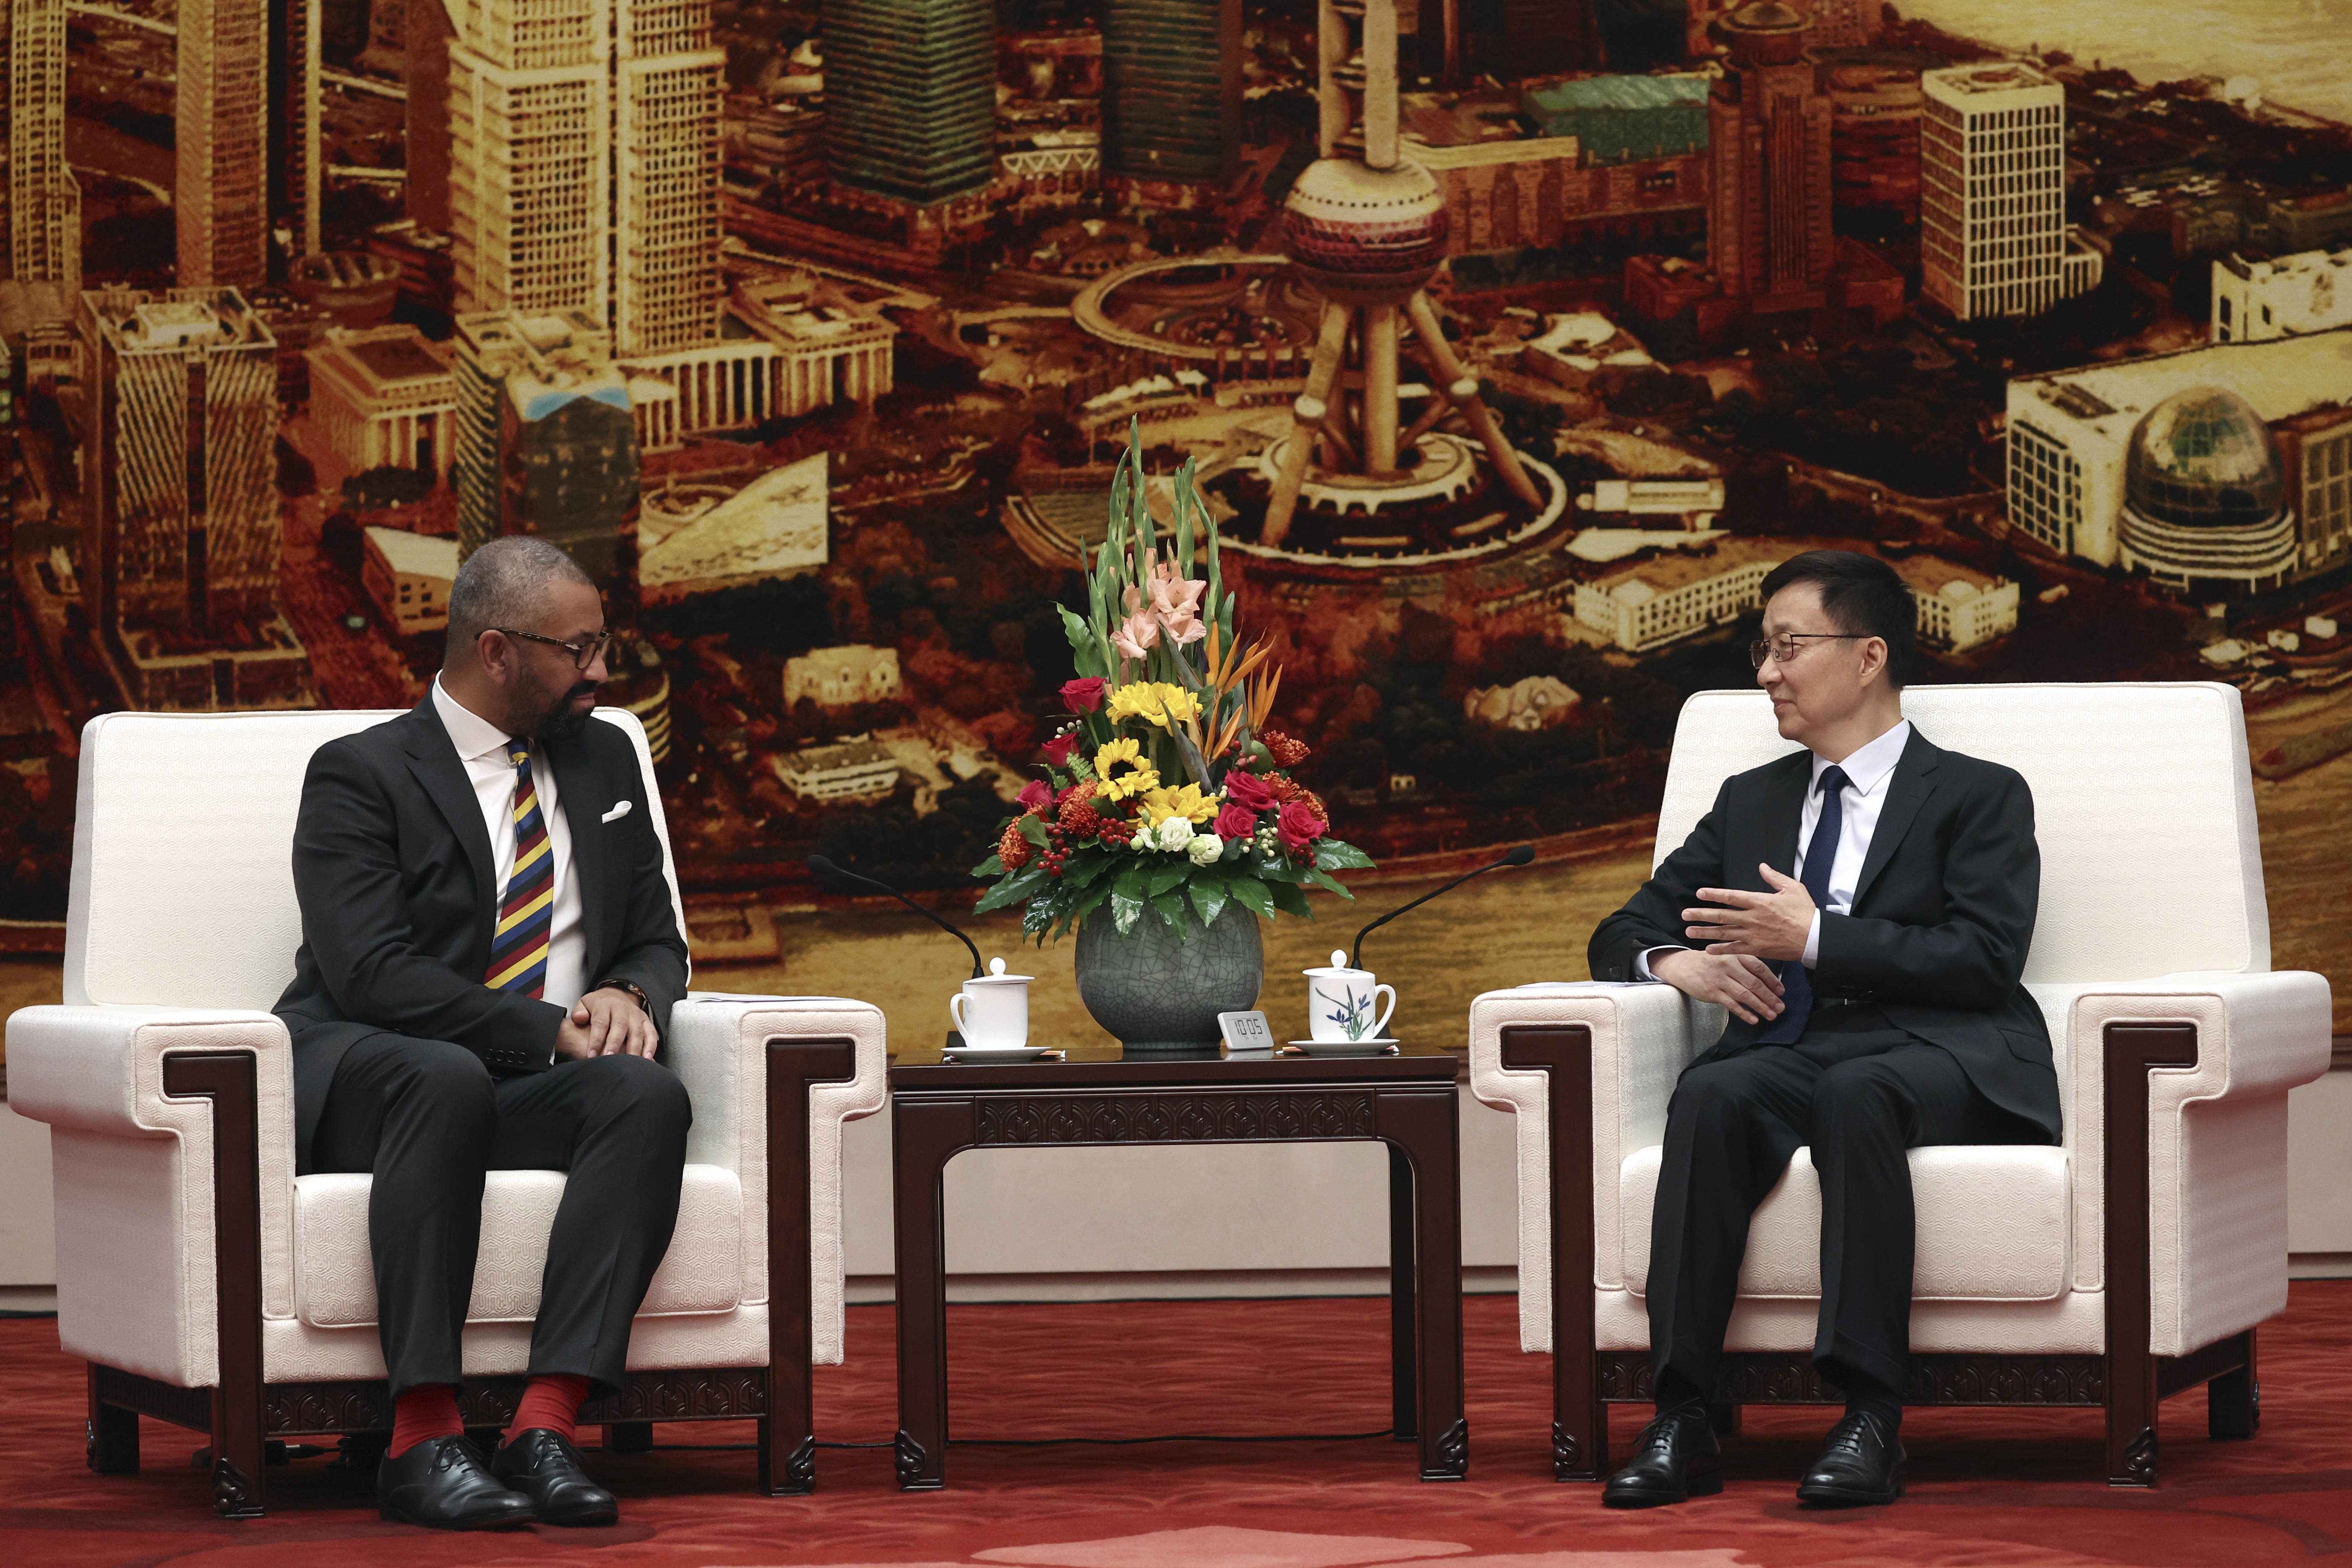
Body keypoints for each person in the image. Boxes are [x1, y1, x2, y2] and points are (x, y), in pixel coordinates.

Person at [1587, 549, 2060, 1509]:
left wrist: (1817, 938)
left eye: (1788, 646)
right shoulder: (1753, 801)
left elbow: (1983, 960)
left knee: (1858, 1091)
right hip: (1794, 1048)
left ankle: (1869, 1417)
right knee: (1714, 1089)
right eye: (1761, 650)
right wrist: (1677, 964)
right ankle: (1682, 1415)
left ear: (1869, 656)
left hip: (1941, 1049)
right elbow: (1623, 928)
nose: (1765, 671)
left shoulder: (1979, 794)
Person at [274, 536, 691, 1530]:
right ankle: (421, 1442)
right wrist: (547, 1029)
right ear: (498, 651)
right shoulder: (360, 773)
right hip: (380, 1079)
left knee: (646, 1093)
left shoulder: (607, 756)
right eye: (579, 649)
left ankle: (545, 1429)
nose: (601, 672)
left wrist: (633, 991)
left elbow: (656, 939)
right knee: (445, 1077)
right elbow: (369, 972)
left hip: (521, 1084)